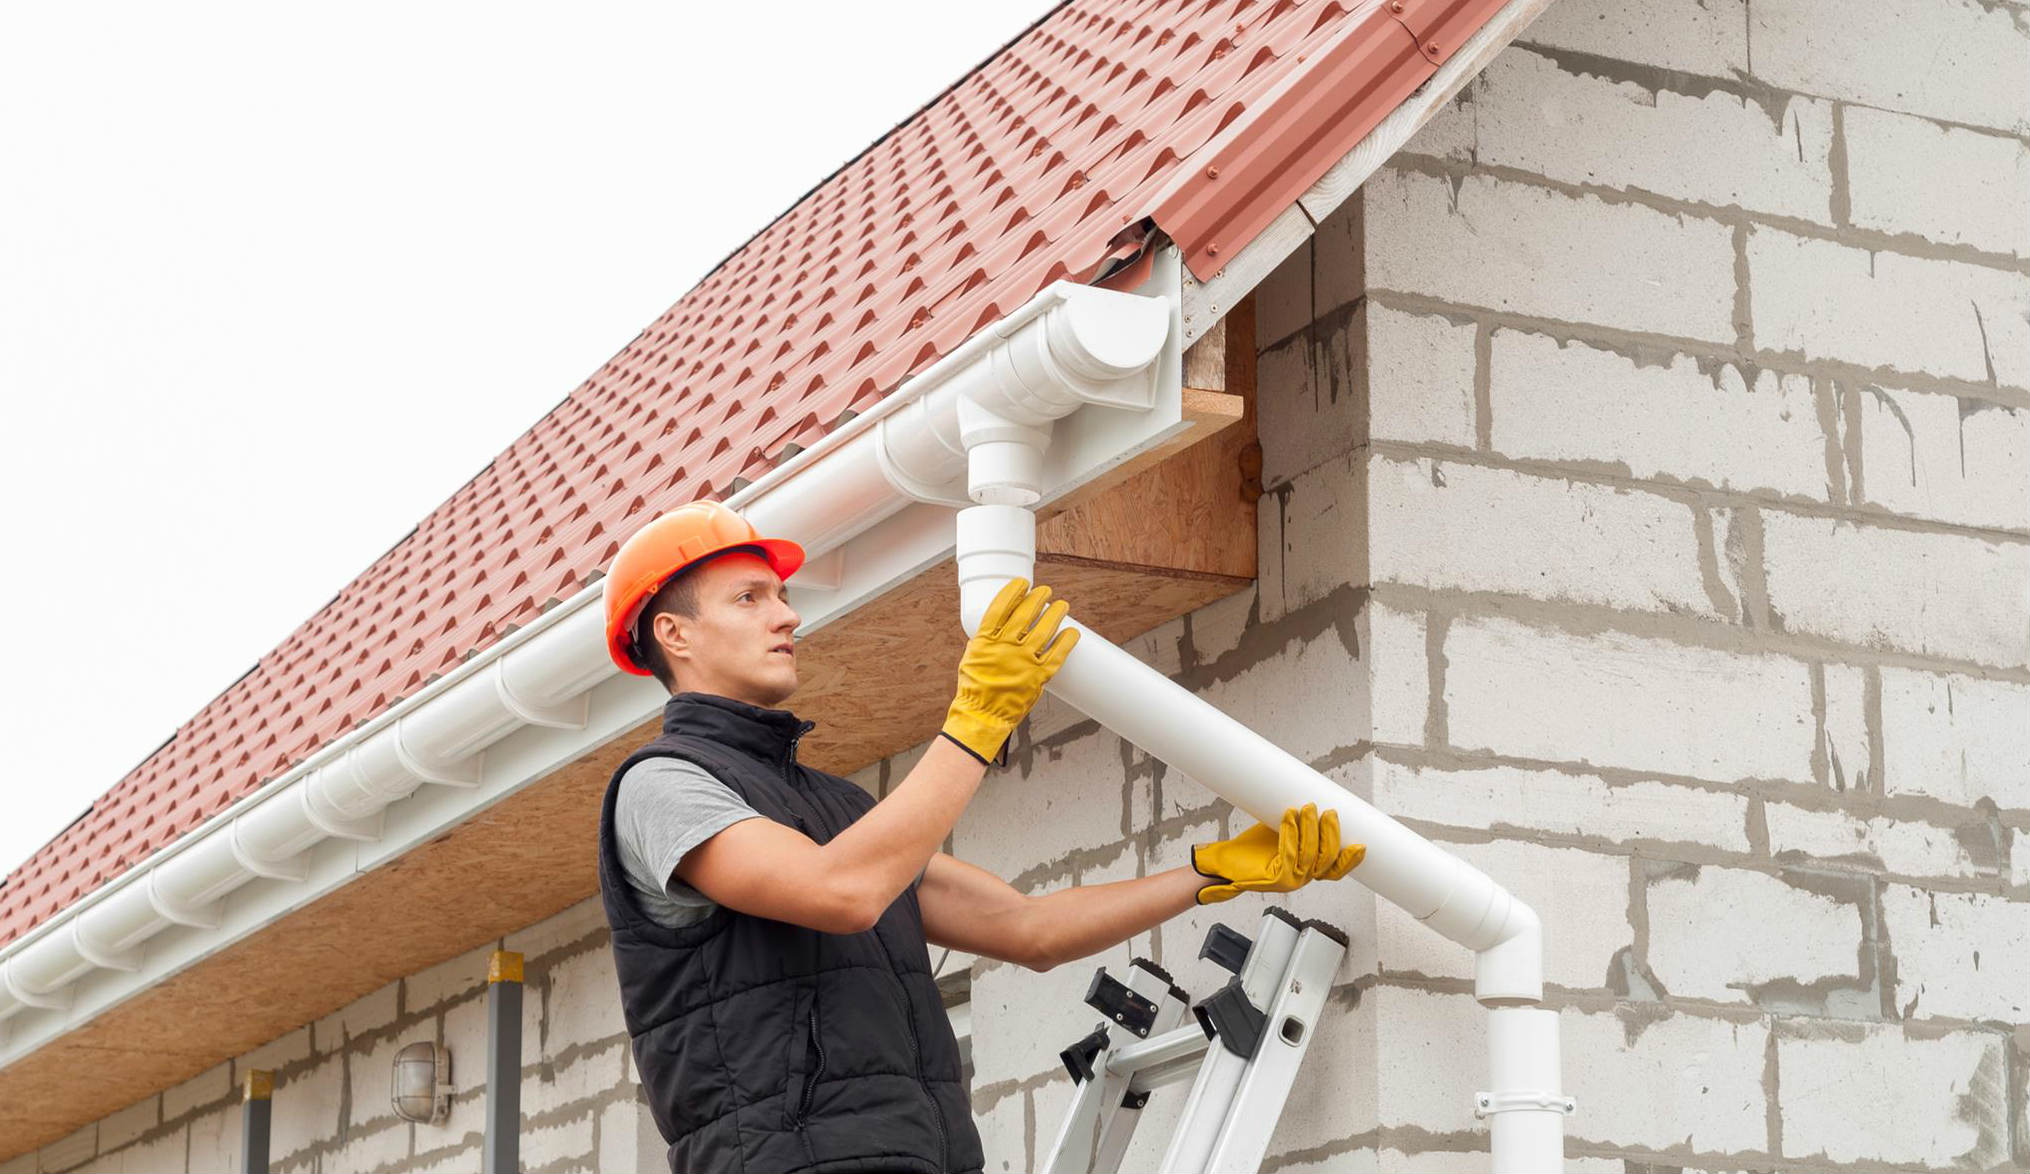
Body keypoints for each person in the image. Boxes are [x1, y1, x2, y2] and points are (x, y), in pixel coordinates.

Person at [595, 500, 1365, 1174]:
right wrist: (977, 720)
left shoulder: (839, 809)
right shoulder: (661, 786)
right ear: (675, 633)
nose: (787, 614)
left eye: (784, 595)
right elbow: (842, 893)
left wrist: (1211, 870)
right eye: (750, 597)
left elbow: (1027, 930)